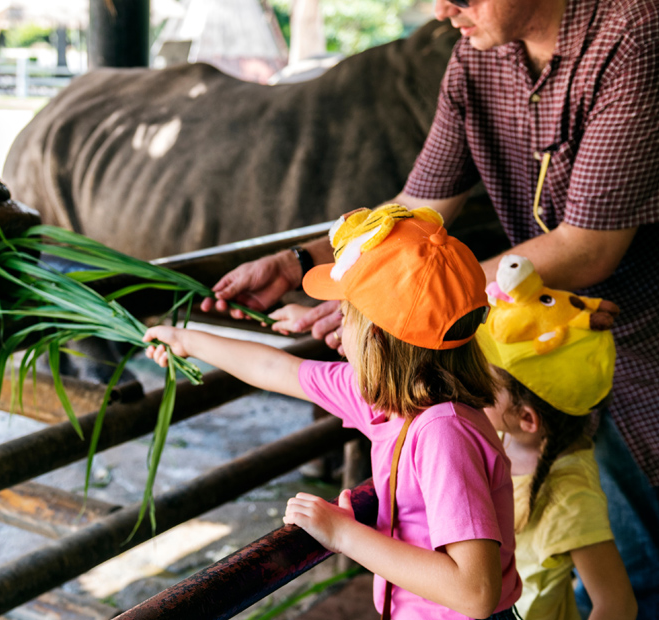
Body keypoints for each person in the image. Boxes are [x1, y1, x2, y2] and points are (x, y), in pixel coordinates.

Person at [201, 0, 659, 611]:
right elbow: (418, 207)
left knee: (639, 549)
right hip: (538, 348)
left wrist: (389, 294)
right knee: (594, 544)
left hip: (639, 345)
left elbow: (589, 245)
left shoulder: (634, 32)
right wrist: (301, 263)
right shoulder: (477, 53)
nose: (444, 9)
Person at [146, 206, 521, 620]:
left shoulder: (443, 433)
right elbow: (277, 369)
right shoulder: (382, 401)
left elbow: (475, 592)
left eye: (345, 315)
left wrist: (343, 534)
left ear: (374, 336)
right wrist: (188, 341)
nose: (339, 324)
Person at [478, 254, 636, 619]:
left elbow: (617, 604)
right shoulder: (503, 438)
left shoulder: (567, 496)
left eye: (485, 380)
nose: (472, 382)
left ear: (527, 419)